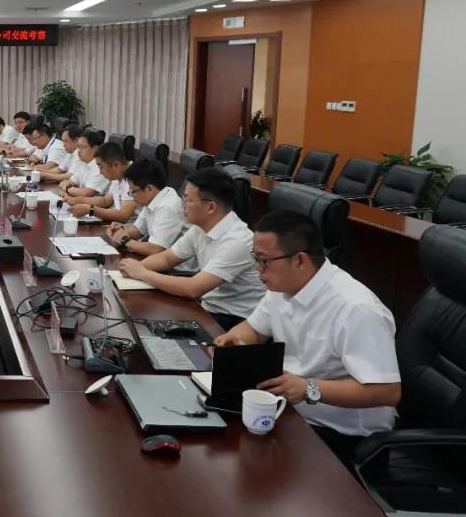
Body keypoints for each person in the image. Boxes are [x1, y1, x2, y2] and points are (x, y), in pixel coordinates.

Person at [215, 210, 401, 466]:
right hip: (290, 411)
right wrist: (236, 340)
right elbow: (254, 329)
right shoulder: (282, 286)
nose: (258, 269)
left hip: (343, 436)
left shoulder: (356, 309)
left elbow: (387, 391)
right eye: (255, 258)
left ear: (300, 260)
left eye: (264, 261)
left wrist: (308, 388)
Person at [117, 167, 265, 329]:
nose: (182, 204)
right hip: (208, 307)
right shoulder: (200, 228)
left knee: (146, 324)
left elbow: (193, 288)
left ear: (210, 207)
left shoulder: (237, 241)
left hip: (234, 320)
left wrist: (142, 273)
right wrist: (129, 270)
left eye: (187, 199)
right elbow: (167, 258)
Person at [104, 159, 186, 258]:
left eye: (133, 191)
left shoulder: (168, 207)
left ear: (149, 189)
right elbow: (138, 231)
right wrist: (120, 230)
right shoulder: (153, 198)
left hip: (175, 266)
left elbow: (155, 249)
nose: (131, 195)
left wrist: (124, 240)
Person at [67, 141, 136, 223]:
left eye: (101, 167)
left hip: (129, 227)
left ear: (115, 165)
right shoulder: (117, 176)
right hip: (117, 225)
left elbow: (124, 215)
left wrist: (90, 210)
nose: (100, 172)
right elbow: (106, 200)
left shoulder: (133, 177)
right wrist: (77, 200)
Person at [59, 129, 108, 198]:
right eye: (78, 147)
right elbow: (67, 182)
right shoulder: (83, 163)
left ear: (95, 149)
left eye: (82, 147)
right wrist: (67, 188)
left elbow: (86, 193)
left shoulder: (101, 167)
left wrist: (67, 188)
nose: (78, 151)